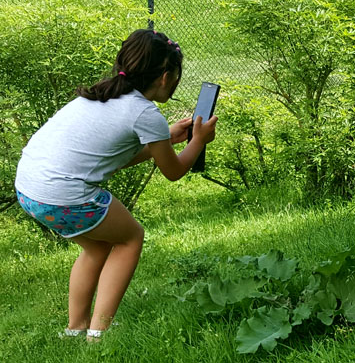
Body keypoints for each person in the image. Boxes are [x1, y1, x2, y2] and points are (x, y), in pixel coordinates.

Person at [14, 29, 217, 341]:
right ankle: (99, 333)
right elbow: (174, 171)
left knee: (97, 246)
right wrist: (198, 141)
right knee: (130, 237)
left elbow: (110, 158)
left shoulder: (100, 96)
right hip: (64, 194)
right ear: (166, 77)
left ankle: (76, 328)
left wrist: (164, 140)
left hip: (30, 189)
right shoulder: (145, 113)